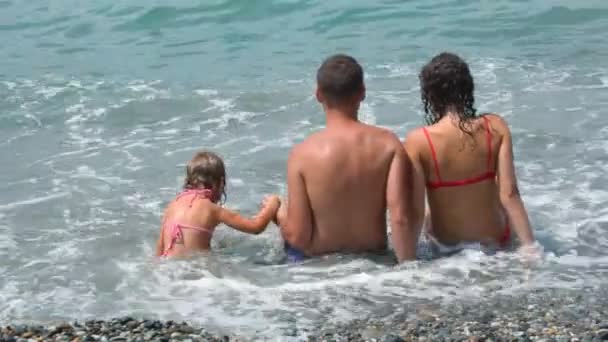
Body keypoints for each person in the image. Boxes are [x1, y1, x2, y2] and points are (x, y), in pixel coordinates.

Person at [274, 54, 417, 263]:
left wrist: (279, 213)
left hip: (322, 272)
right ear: (362, 93)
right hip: (375, 266)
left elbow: (299, 237)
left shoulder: (302, 154)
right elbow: (400, 218)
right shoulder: (389, 145)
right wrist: (409, 272)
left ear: (318, 94)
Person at [403, 52, 537, 258]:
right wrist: (530, 248)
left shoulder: (418, 141)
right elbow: (510, 194)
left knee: (429, 215)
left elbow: (416, 211)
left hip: (448, 247)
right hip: (497, 241)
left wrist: (407, 261)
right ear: (468, 88)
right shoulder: (495, 126)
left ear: (429, 95)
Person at [156, 151, 281, 258]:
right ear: (220, 183)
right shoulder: (213, 210)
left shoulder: (172, 206)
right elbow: (256, 227)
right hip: (195, 271)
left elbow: (159, 252)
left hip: (168, 272)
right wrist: (273, 204)